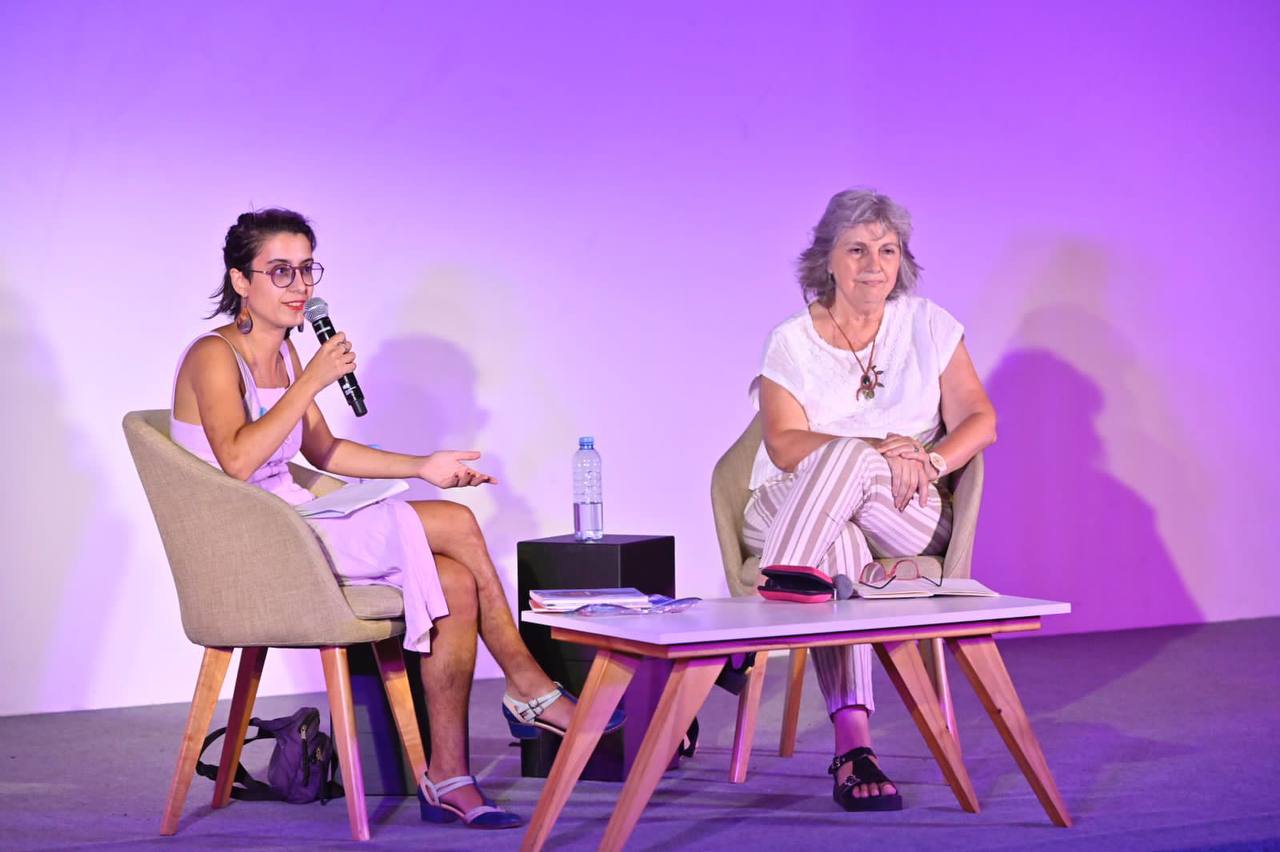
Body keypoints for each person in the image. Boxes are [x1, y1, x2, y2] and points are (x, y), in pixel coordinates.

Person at [169, 208, 622, 830]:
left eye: (306, 269)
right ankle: (530, 688)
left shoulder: (289, 354)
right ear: (241, 281)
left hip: (295, 519)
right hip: (254, 542)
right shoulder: (213, 356)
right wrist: (314, 382)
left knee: (455, 584)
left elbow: (322, 452)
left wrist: (423, 466)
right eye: (280, 271)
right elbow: (241, 461)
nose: (299, 285)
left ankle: (450, 777)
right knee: (459, 526)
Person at [743, 189, 997, 812]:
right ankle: (854, 747)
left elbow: (980, 419)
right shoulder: (792, 340)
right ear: (826, 259)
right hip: (789, 501)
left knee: (854, 466)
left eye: (887, 250)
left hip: (906, 509)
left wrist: (931, 459)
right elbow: (781, 446)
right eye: (857, 250)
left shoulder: (929, 324)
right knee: (842, 533)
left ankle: (754, 634)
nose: (874, 264)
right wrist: (874, 443)